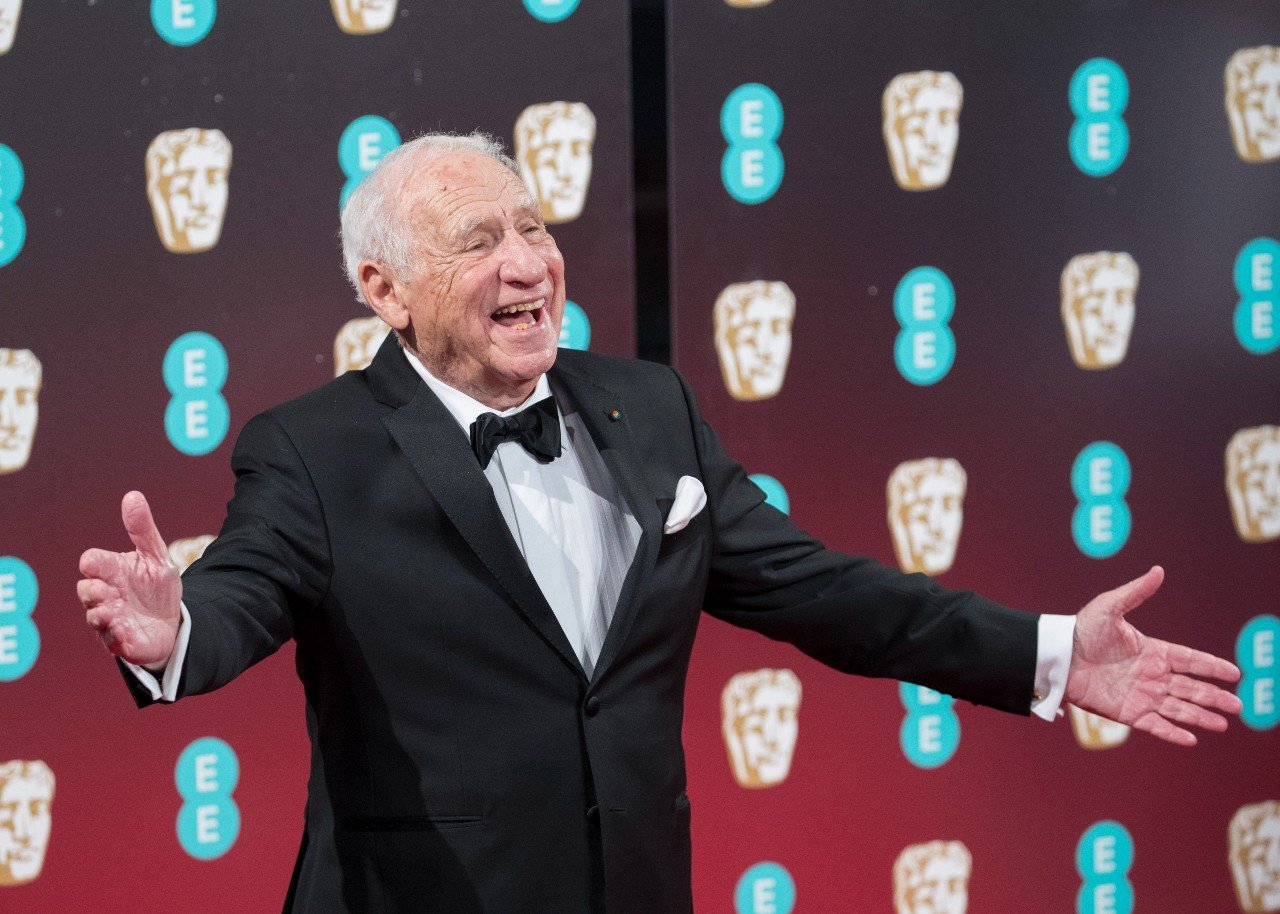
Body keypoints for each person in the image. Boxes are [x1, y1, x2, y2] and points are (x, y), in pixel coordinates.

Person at [77, 132, 1243, 913]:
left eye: (531, 227)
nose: (527, 260)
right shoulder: (313, 447)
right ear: (383, 290)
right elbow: (241, 594)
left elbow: (822, 590)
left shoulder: (649, 407)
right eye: (477, 243)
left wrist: (1046, 651)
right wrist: (170, 633)